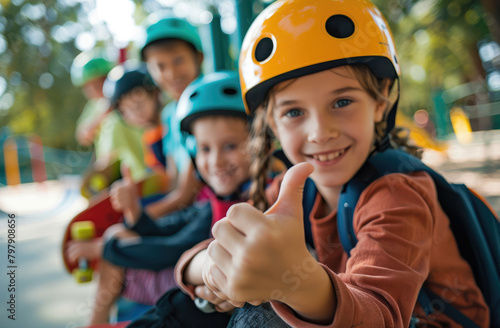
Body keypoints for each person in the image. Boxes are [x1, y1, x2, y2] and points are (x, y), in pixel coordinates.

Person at [176, 1, 489, 327]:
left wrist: (292, 282)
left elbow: (380, 316)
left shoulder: (397, 195)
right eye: (294, 112)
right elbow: (198, 256)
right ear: (272, 121)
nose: (321, 133)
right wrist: (214, 269)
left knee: (265, 313)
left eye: (342, 102)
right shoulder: (296, 193)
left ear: (380, 100)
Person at [80, 71, 255, 325]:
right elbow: (168, 230)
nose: (216, 161)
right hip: (191, 289)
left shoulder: (241, 204)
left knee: (114, 244)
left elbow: (170, 250)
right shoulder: (213, 201)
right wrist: (134, 211)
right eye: (205, 148)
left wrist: (105, 249)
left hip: (194, 292)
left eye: (230, 146)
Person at [137, 16, 207, 219]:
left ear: (198, 57)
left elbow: (186, 195)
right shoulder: (169, 115)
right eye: (160, 66)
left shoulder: (204, 106)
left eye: (178, 61)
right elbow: (172, 180)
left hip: (203, 209)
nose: (171, 73)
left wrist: (138, 218)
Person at [71, 52, 148, 182]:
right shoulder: (93, 106)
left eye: (98, 83)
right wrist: (104, 113)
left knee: (117, 122)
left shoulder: (125, 95)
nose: (94, 90)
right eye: (88, 87)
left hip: (139, 165)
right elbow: (83, 136)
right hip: (110, 171)